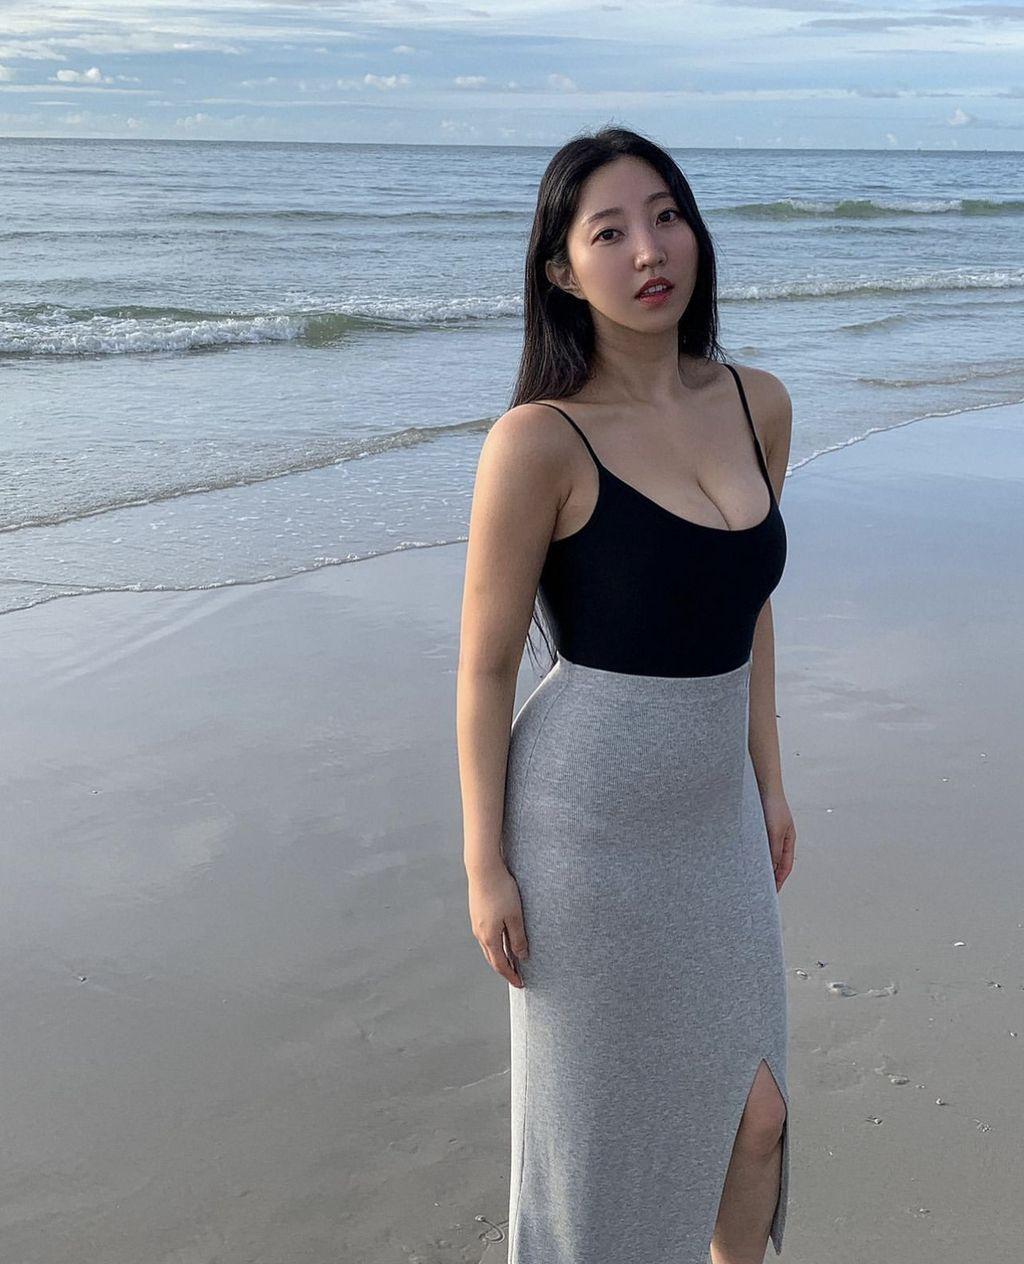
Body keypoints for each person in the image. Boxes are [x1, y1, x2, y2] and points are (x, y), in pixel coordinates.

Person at [456, 125, 797, 1264]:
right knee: (593, 1158)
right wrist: (485, 864)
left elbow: (747, 602)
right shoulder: (538, 443)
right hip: (583, 829)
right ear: (561, 270)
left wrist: (770, 783)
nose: (649, 250)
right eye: (608, 232)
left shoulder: (757, 403)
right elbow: (484, 666)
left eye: (666, 215)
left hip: (715, 817)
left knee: (756, 1116)